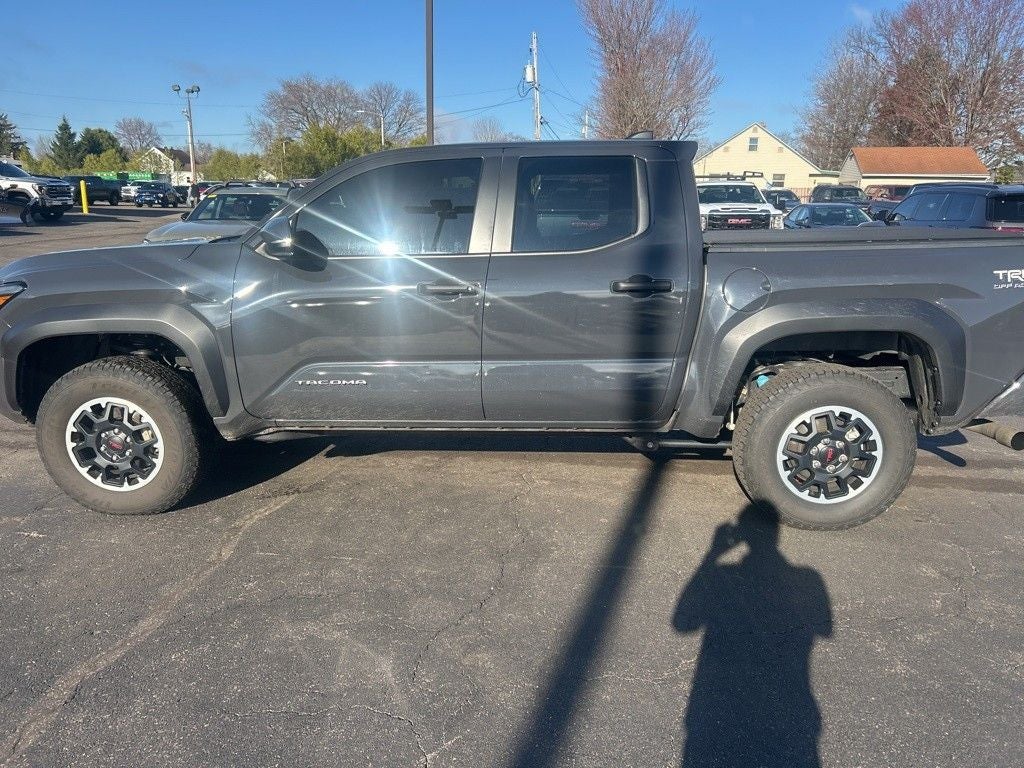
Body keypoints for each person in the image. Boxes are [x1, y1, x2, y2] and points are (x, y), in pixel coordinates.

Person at [674, 505, 833, 768]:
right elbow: (824, 628)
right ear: (777, 534)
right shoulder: (808, 578)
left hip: (720, 705)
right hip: (792, 703)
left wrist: (712, 555)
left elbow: (683, 622)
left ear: (742, 536)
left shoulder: (723, 575)